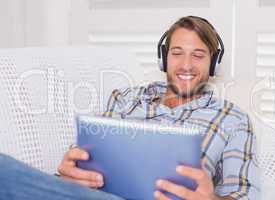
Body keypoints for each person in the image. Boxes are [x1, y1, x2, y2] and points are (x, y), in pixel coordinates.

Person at [0, 16, 259, 200]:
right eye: (177, 52)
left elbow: (244, 194)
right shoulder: (125, 98)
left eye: (198, 55)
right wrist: (71, 171)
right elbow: (88, 157)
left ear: (213, 64)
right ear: (164, 58)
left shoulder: (233, 120)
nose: (186, 64)